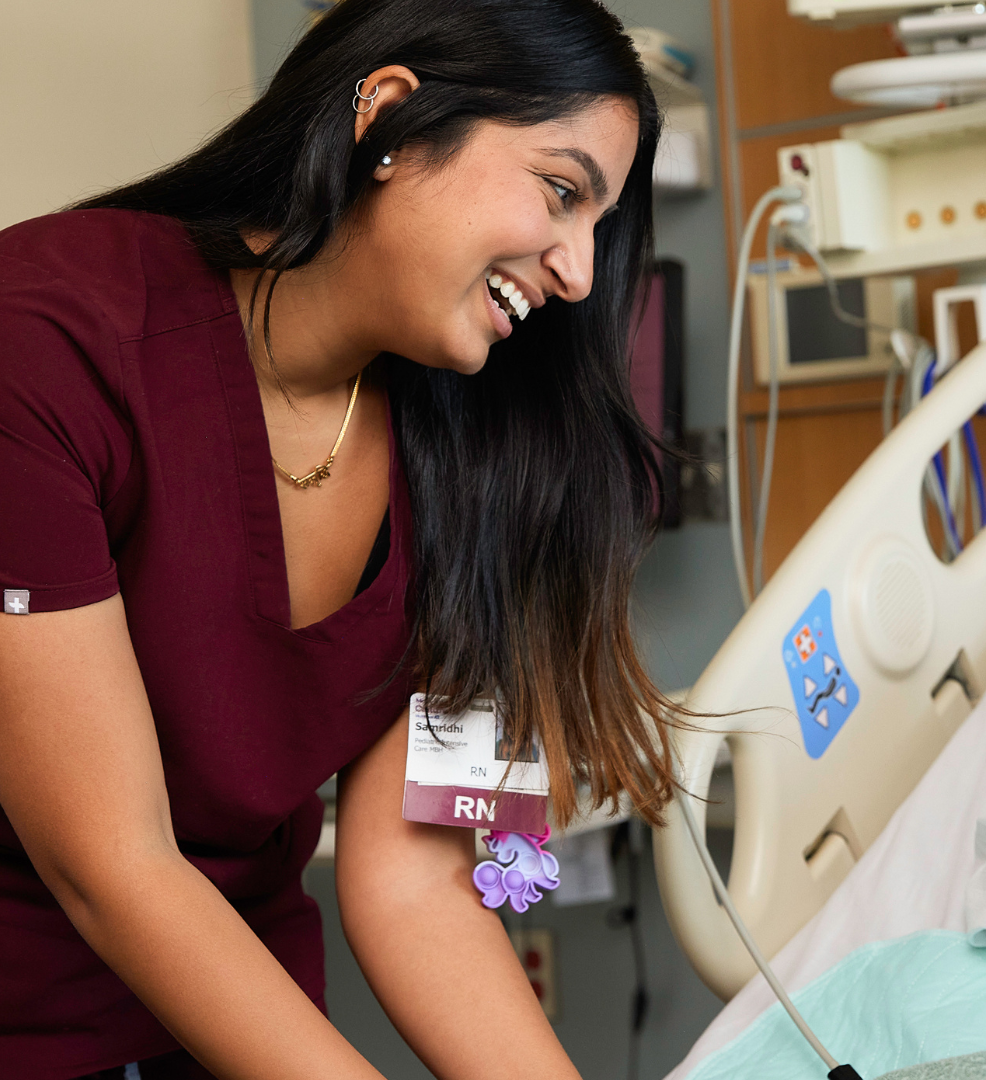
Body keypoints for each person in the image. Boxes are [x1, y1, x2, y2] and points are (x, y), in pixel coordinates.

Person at [0, 2, 684, 1077]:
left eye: (599, 224)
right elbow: (112, 865)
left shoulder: (480, 452)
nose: (581, 274)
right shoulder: (45, 344)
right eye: (561, 191)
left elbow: (416, 881)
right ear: (392, 122)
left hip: (240, 1029)